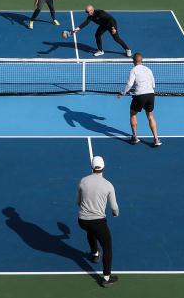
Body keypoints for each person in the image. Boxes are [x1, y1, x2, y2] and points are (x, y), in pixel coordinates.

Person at [77, 155, 119, 287]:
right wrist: (115, 213)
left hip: (82, 221)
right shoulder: (108, 185)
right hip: (98, 222)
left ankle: (95, 253)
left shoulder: (83, 181)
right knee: (107, 247)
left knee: (90, 230)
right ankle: (106, 278)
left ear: (92, 167)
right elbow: (114, 207)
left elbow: (78, 202)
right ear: (103, 167)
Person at [118, 52, 160, 147]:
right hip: (150, 94)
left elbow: (129, 84)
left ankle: (135, 137)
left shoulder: (133, 70)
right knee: (150, 116)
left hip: (140, 96)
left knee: (133, 114)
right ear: (141, 60)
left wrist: (122, 93)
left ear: (133, 61)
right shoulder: (148, 69)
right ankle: (156, 139)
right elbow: (153, 84)